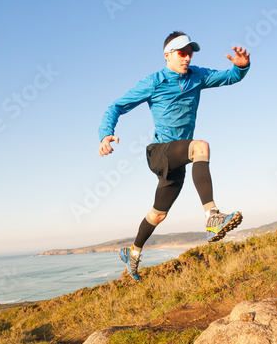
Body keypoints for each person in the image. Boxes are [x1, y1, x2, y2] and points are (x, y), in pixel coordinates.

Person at [98, 31, 250, 280]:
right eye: (182, 53)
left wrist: (242, 68)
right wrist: (106, 134)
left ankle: (132, 254)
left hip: (178, 158)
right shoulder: (155, 81)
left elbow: (229, 77)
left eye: (190, 52)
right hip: (159, 153)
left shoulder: (198, 76)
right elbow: (116, 106)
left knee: (158, 214)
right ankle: (212, 217)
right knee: (200, 147)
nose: (187, 57)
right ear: (167, 55)